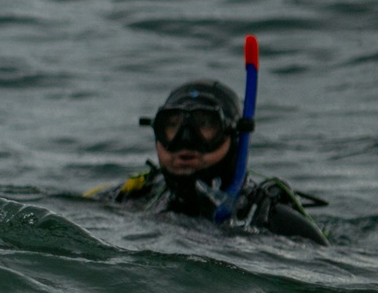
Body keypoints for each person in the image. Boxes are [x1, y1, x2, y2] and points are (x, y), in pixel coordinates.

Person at [86, 78, 325, 242]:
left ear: (235, 136)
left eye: (206, 125)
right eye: (171, 126)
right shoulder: (132, 197)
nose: (186, 141)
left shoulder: (272, 223)